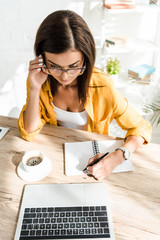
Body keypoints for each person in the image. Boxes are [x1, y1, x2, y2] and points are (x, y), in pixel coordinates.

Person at [18, 10, 152, 180]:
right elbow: (29, 131)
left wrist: (117, 157)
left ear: (86, 59)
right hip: (54, 160)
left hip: (91, 164)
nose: (65, 76)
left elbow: (141, 127)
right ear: (42, 59)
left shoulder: (102, 85)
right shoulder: (39, 80)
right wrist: (35, 88)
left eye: (74, 66)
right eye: (55, 66)